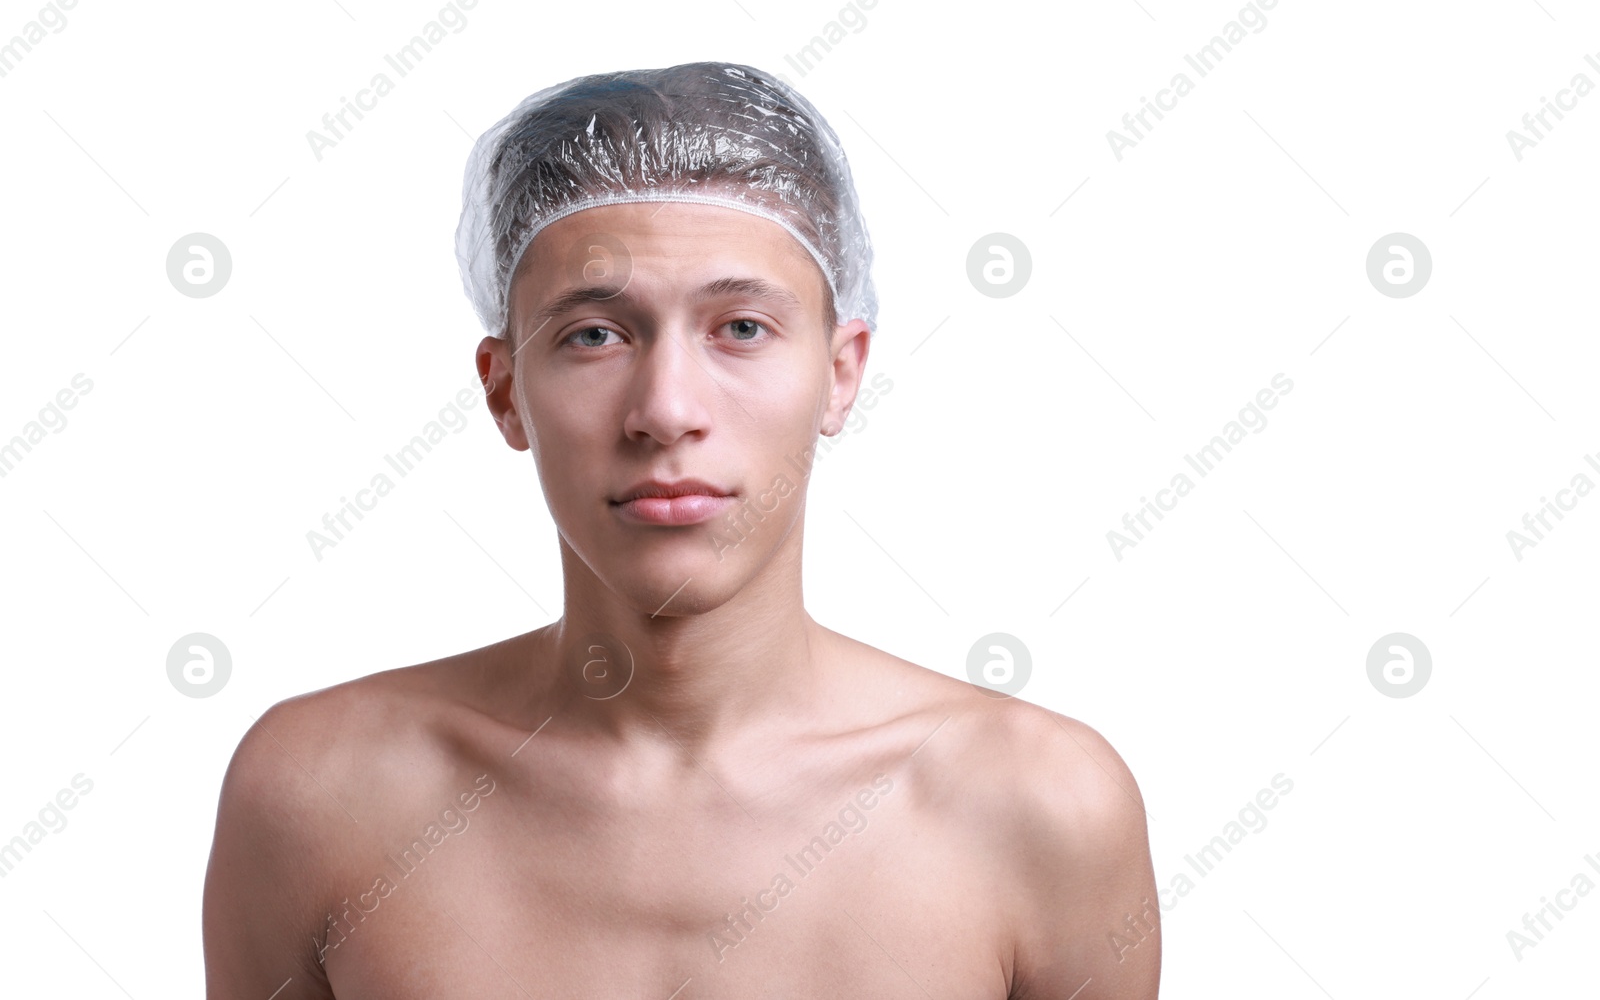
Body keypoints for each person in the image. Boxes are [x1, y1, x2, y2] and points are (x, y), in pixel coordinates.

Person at [202, 62, 1161, 998]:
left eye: (740, 327)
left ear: (841, 371)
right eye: (594, 334)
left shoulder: (1038, 807)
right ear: (505, 392)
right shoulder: (318, 797)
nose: (666, 410)